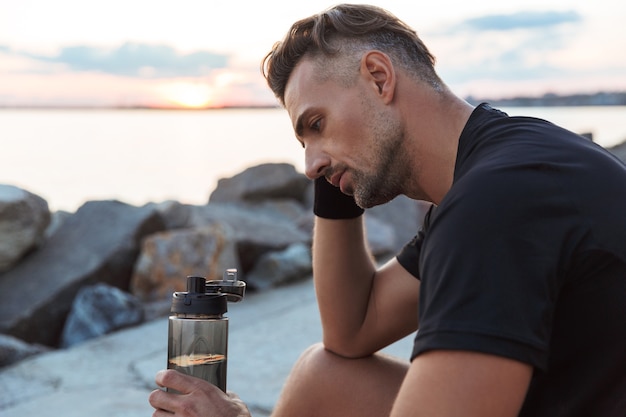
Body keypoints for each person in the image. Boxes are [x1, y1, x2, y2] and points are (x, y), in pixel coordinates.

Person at [149, 4, 626, 416]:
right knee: (325, 374)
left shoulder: (495, 205)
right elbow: (351, 331)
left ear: (379, 77)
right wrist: (336, 170)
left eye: (317, 123)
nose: (309, 164)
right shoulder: (503, 160)